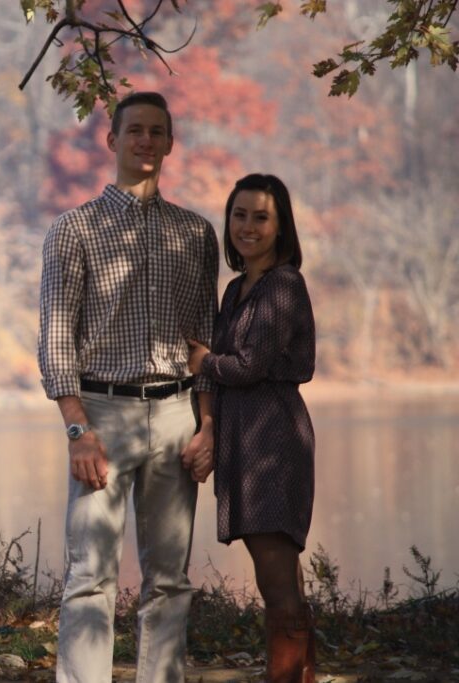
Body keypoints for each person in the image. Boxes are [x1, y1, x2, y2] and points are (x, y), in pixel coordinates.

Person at [37, 91, 218, 683]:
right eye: (134, 130)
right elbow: (57, 341)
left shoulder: (194, 234)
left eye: (156, 131)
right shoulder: (74, 230)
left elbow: (204, 341)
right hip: (101, 414)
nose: (145, 140)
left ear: (169, 143)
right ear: (112, 141)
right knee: (89, 575)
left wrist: (208, 425)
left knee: (170, 579)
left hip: (175, 416)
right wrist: (77, 429)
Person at [187, 173, 317, 683]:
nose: (247, 226)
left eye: (260, 217)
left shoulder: (283, 284)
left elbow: (249, 365)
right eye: (239, 215)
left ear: (281, 226)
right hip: (245, 437)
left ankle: (283, 677)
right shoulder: (239, 288)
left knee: (275, 571)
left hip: (273, 440)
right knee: (279, 571)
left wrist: (203, 361)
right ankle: (298, 676)